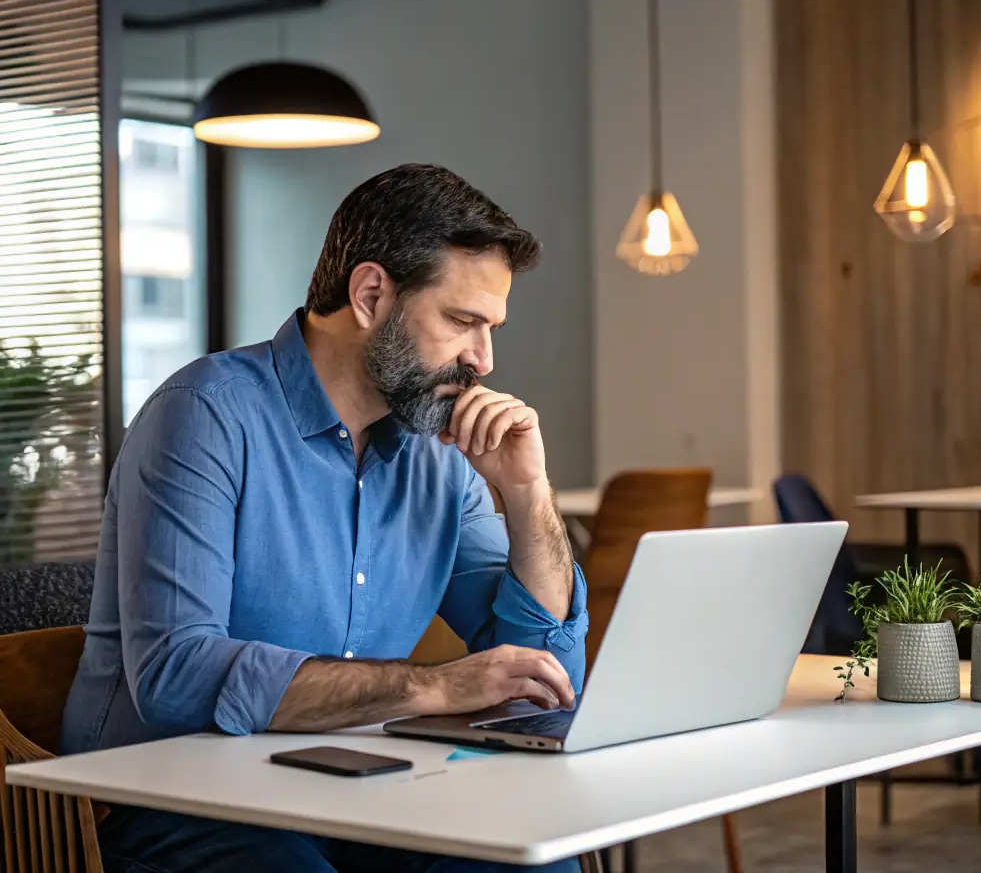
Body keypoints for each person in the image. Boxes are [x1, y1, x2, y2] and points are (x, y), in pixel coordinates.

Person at [62, 163, 589, 873]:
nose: (483, 361)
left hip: (355, 786)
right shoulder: (206, 415)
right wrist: (431, 686)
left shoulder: (435, 458)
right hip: (170, 799)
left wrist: (528, 496)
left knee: (534, 864)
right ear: (371, 294)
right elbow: (175, 674)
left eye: (490, 328)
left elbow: (543, 676)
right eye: (462, 322)